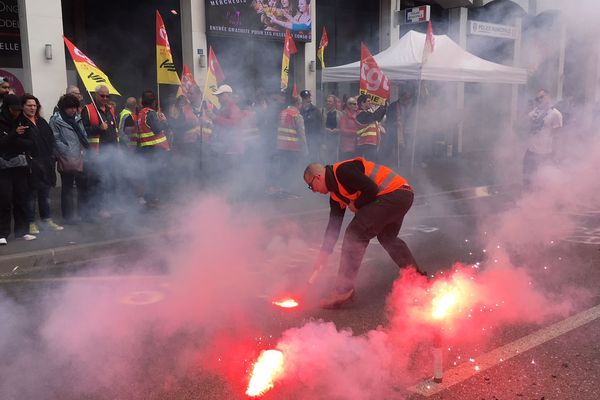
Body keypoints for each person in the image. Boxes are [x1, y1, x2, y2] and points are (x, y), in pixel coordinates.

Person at [303, 157, 425, 308]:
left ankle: (343, 291)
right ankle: (418, 280)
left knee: (354, 235)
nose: (314, 191)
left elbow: (371, 189)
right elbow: (334, 225)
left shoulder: (342, 171)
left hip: (396, 193)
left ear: (318, 177)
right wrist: (325, 252)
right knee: (387, 238)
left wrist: (357, 204)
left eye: (311, 186)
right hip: (401, 195)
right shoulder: (335, 196)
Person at [20, 94, 63, 233]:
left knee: (45, 193)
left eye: (34, 105)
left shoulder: (41, 121)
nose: (32, 108)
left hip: (46, 162)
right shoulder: (21, 123)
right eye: (29, 105)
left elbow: (50, 139)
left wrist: (53, 156)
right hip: (31, 163)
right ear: (23, 106)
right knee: (30, 195)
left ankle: (47, 219)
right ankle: (31, 222)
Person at [0, 94, 36, 243]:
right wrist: (14, 134)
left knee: (21, 198)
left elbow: (30, 142)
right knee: (4, 199)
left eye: (18, 109)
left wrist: (13, 140)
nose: (17, 112)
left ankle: (22, 231)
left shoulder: (23, 120)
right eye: (14, 110)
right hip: (3, 167)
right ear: (7, 109)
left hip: (20, 164)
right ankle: (2, 233)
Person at [50, 94, 90, 224]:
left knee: (82, 186)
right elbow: (55, 140)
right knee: (67, 188)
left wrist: (83, 149)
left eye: (75, 107)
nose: (73, 110)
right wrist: (68, 151)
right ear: (63, 107)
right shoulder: (56, 120)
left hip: (80, 156)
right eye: (70, 108)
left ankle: (84, 214)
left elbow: (83, 134)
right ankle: (69, 217)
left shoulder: (77, 118)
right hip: (66, 158)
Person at [81, 84, 119, 219]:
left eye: (107, 96)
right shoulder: (88, 109)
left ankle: (109, 205)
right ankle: (98, 208)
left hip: (111, 152)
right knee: (98, 181)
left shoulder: (110, 109)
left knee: (110, 180)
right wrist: (98, 128)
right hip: (97, 152)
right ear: (95, 95)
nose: (105, 98)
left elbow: (115, 131)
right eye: (102, 95)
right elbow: (84, 130)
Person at [523, 89, 563, 190]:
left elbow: (557, 135)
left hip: (544, 152)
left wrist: (555, 153)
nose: (539, 99)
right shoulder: (534, 111)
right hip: (531, 150)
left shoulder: (555, 114)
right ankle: (527, 200)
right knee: (527, 177)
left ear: (549, 97)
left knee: (541, 180)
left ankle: (540, 201)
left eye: (542, 97)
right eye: (538, 98)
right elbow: (525, 122)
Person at [136, 90, 170, 208]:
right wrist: (164, 122)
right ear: (154, 102)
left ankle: (148, 199)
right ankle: (151, 200)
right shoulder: (151, 113)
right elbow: (157, 129)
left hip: (146, 148)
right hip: (155, 149)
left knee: (150, 174)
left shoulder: (141, 113)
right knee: (154, 175)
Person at [273, 95, 307, 193]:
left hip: (281, 146)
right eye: (300, 104)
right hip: (293, 148)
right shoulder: (297, 115)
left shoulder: (281, 113)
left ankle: (283, 190)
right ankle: (291, 191)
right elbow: (302, 134)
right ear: (298, 104)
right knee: (293, 170)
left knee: (283, 168)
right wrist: (305, 150)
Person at [355, 94, 386, 162]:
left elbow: (378, 118)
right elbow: (375, 116)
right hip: (365, 144)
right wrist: (382, 106)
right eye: (368, 101)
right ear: (362, 103)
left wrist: (384, 107)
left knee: (374, 165)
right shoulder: (360, 114)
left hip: (370, 144)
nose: (370, 103)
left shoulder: (366, 113)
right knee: (370, 166)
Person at [299, 89, 322, 162]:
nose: (308, 99)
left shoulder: (316, 110)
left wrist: (321, 141)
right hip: (303, 140)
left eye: (309, 97)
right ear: (302, 99)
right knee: (303, 160)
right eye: (305, 98)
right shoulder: (299, 110)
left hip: (314, 140)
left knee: (313, 160)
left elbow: (320, 126)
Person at [321, 94, 342, 163]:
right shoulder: (322, 112)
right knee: (325, 159)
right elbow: (319, 125)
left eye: (330, 101)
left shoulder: (340, 114)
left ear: (334, 103)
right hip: (325, 138)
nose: (328, 103)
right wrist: (325, 129)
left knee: (334, 159)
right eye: (327, 101)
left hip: (335, 140)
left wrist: (338, 130)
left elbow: (342, 127)